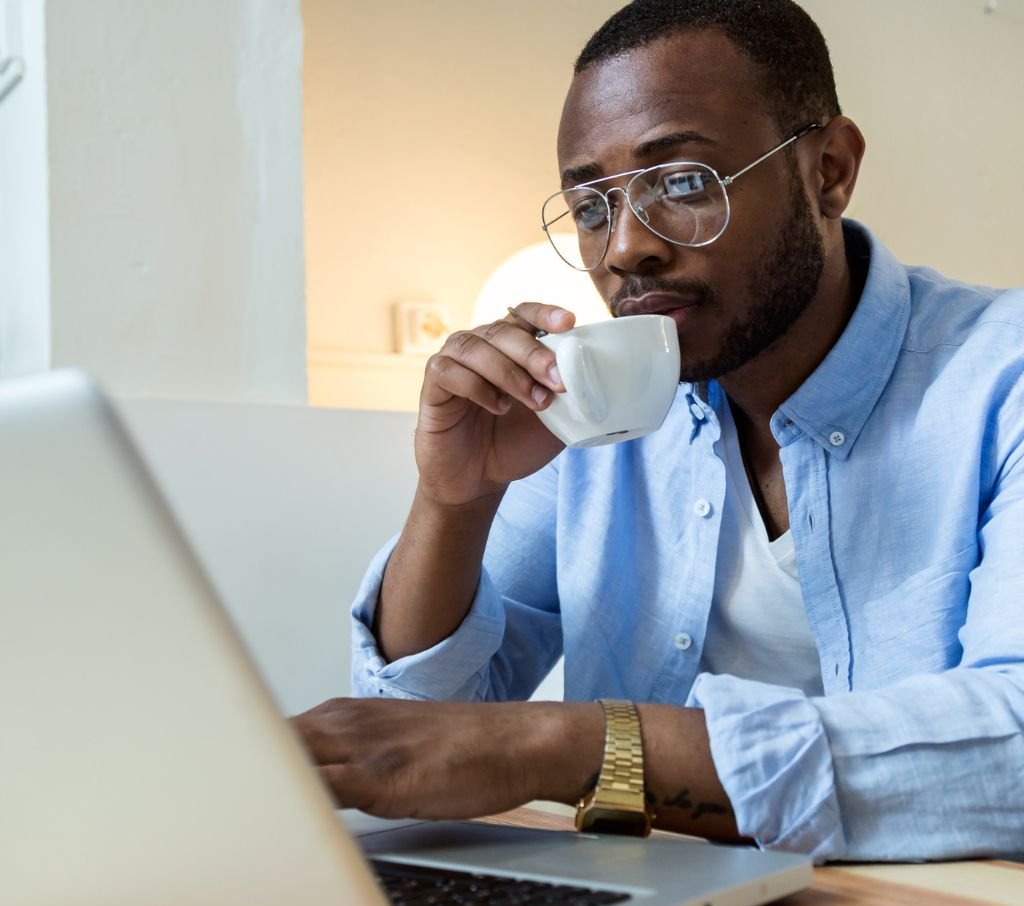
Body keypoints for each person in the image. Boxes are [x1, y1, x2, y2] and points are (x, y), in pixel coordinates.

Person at [292, 0, 1024, 862]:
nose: (625, 249)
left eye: (681, 183)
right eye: (591, 207)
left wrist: (574, 746)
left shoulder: (998, 380)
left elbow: (1008, 751)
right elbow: (417, 740)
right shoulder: (604, 407)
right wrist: (457, 500)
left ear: (828, 170)